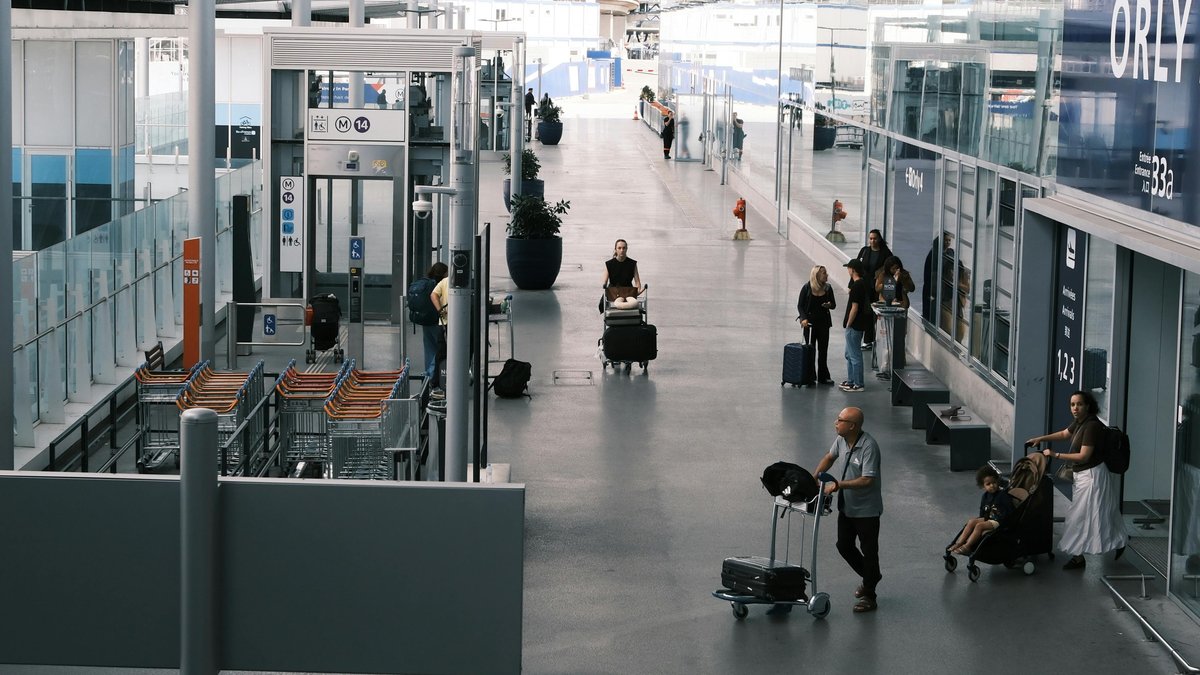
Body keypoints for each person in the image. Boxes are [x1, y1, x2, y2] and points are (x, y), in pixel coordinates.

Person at [1026, 390, 1128, 570]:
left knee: (1082, 516)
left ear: (1088, 406)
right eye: (1072, 404)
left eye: (1079, 404)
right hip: (1084, 476)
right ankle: (1110, 544)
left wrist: (1055, 454)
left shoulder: (1092, 426)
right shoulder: (1081, 422)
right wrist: (1041, 438)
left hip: (1092, 476)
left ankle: (1080, 556)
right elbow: (1065, 434)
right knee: (1098, 514)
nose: (1075, 408)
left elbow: (1084, 456)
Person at [813, 406, 883, 613]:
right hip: (847, 506)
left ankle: (870, 596)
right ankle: (872, 576)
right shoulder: (842, 440)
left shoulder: (869, 446)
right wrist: (815, 475)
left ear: (852, 426)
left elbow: (868, 480)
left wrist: (838, 485)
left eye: (840, 420)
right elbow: (829, 456)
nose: (836, 422)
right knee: (843, 545)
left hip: (866, 510)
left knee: (870, 552)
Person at [948, 465, 1015, 555]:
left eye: (994, 482)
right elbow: (982, 510)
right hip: (989, 518)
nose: (992, 485)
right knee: (971, 521)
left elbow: (1010, 510)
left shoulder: (1002, 495)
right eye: (988, 484)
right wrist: (982, 518)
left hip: (999, 520)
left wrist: (1001, 518)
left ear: (997, 481)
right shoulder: (985, 496)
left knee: (979, 526)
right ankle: (960, 543)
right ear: (983, 486)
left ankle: (967, 546)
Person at [874, 255, 914, 380]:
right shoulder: (883, 275)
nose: (894, 271)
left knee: (900, 335)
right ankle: (886, 366)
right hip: (888, 306)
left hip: (901, 306)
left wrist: (902, 280)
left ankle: (899, 361)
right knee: (887, 338)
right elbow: (877, 288)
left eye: (896, 268)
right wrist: (892, 282)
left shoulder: (904, 274)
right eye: (892, 269)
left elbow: (912, 288)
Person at [796, 265, 837, 385]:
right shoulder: (807, 288)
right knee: (810, 350)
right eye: (824, 273)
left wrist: (829, 305)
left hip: (824, 323)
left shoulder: (828, 288)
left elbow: (834, 305)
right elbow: (800, 305)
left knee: (823, 350)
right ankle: (810, 376)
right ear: (817, 275)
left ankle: (823, 376)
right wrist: (803, 318)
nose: (826, 275)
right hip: (809, 324)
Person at [856, 229, 893, 349]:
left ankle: (870, 339)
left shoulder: (886, 253)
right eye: (870, 238)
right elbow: (857, 267)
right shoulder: (865, 251)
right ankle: (866, 339)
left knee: (873, 313)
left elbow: (889, 270)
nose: (872, 241)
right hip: (864, 287)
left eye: (874, 238)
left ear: (879, 239)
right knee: (864, 312)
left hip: (877, 289)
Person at [840, 259, 872, 392]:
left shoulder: (856, 286)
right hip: (859, 324)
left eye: (849, 268)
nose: (848, 270)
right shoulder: (863, 284)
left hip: (854, 326)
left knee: (854, 355)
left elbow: (854, 307)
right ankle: (851, 380)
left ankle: (858, 384)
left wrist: (848, 323)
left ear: (853, 270)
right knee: (849, 354)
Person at [419, 263, 449, 383]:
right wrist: (441, 311)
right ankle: (433, 375)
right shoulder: (442, 284)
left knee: (429, 349)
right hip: (437, 322)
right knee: (439, 350)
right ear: (444, 273)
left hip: (425, 321)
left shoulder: (425, 284)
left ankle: (427, 376)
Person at [600, 239, 642, 312]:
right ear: (615, 249)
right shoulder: (609, 264)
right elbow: (605, 282)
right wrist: (605, 288)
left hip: (628, 291)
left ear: (626, 249)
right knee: (602, 303)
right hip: (614, 291)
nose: (622, 250)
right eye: (619, 248)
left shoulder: (632, 264)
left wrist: (637, 291)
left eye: (624, 248)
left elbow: (637, 281)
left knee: (637, 307)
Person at [429, 269, 452, 394]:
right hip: (453, 325)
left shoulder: (445, 281)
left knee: (441, 354)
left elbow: (433, 295)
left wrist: (440, 310)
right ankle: (440, 381)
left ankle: (436, 382)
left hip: (444, 323)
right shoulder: (466, 283)